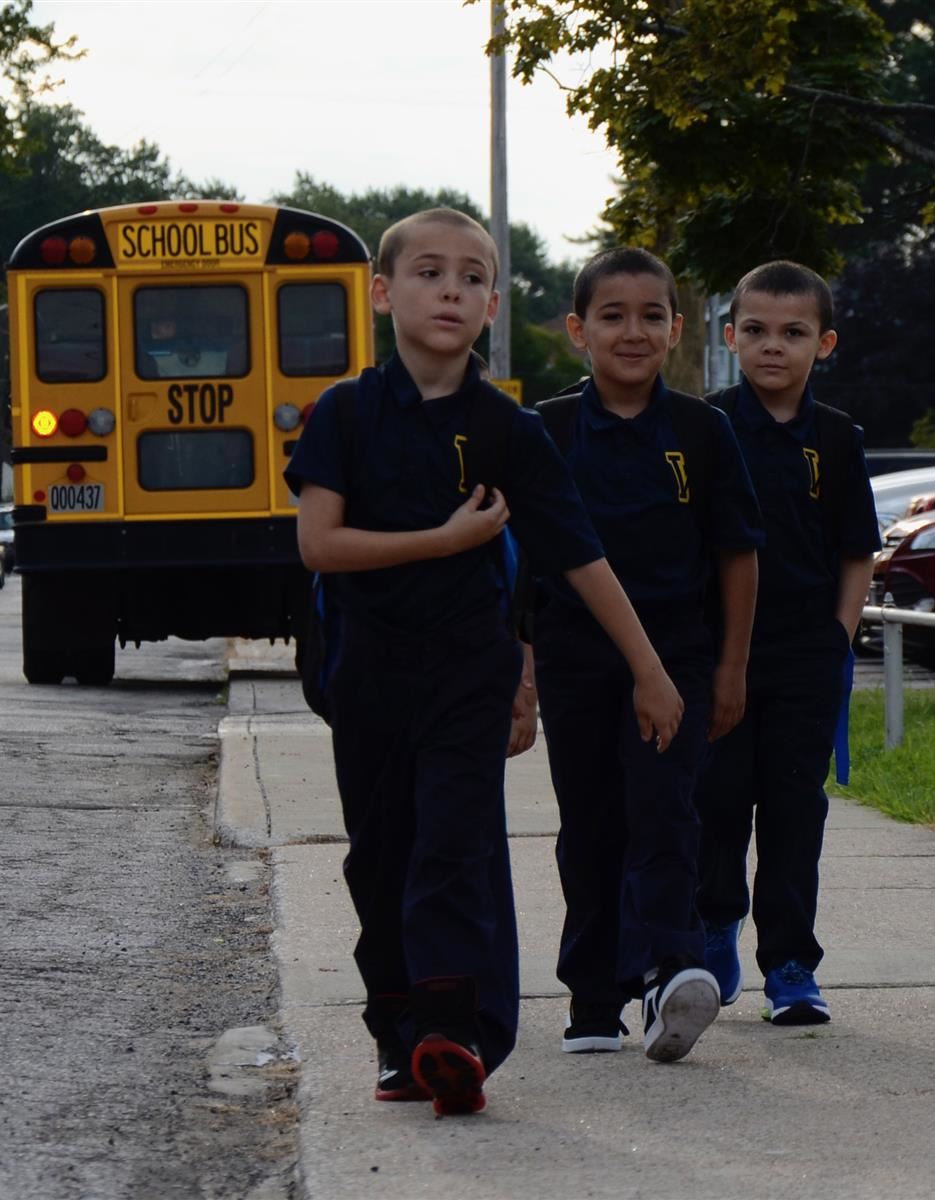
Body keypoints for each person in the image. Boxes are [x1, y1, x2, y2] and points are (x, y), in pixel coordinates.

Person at [284, 208, 684, 1115]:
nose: (451, 291)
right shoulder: (346, 413)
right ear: (383, 293)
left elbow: (580, 558)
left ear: (494, 304)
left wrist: (649, 668)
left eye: (471, 278)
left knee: (452, 847)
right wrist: (442, 539)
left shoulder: (509, 430)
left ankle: (454, 1031)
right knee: (380, 857)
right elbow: (320, 544)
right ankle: (397, 1034)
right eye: (429, 273)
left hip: (469, 672)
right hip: (367, 675)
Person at [533, 246, 764, 1063]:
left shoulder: (705, 432)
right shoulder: (548, 431)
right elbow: (528, 563)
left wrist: (730, 667)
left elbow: (738, 555)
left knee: (667, 812)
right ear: (578, 330)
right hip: (573, 661)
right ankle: (593, 996)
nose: (632, 332)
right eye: (612, 316)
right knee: (589, 824)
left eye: (651, 316)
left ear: (676, 330)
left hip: (679, 662)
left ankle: (672, 972)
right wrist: (523, 669)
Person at [694, 261, 880, 1026]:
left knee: (795, 814)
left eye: (795, 332)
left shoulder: (836, 439)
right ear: (730, 336)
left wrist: (838, 638)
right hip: (716, 658)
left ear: (824, 343)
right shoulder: (702, 427)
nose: (775, 347)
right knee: (717, 806)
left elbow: (857, 552)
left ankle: (792, 965)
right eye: (758, 331)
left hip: (806, 657)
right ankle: (711, 932)